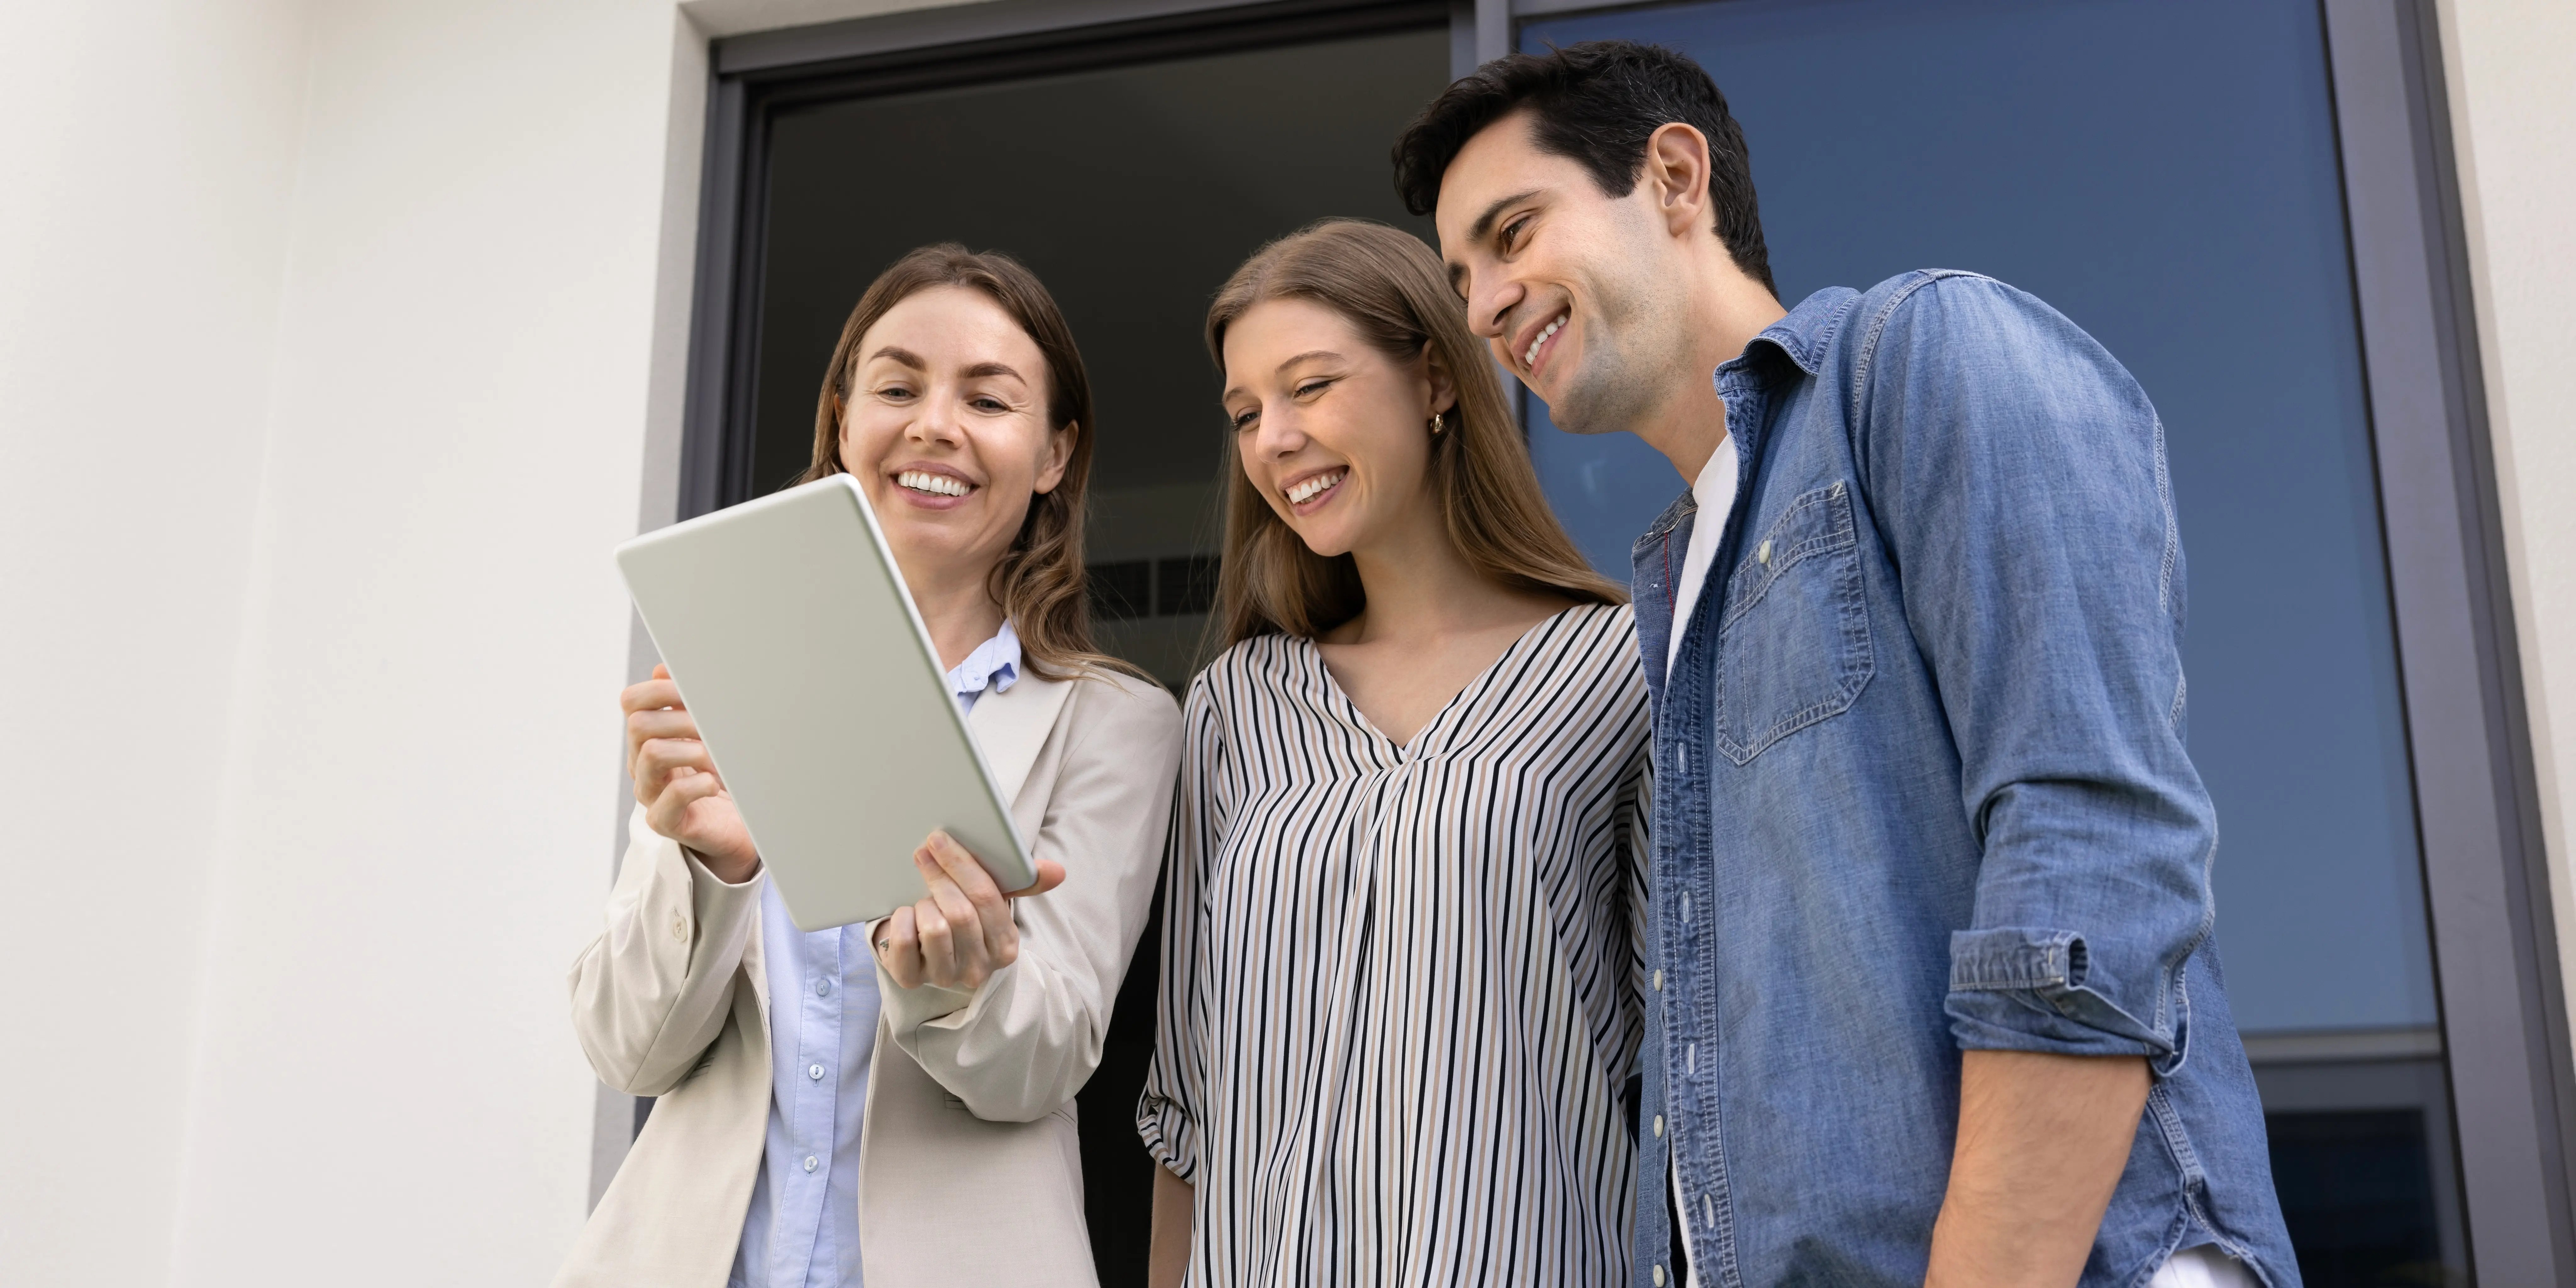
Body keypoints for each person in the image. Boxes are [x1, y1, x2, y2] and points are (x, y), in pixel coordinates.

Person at [1393, 41, 2299, 1288]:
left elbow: (2093, 849)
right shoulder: (1673, 587)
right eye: (1459, 277)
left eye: (1511, 233)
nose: (1485, 302)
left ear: (1671, 178)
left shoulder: (1915, 352)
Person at [554, 245, 1182, 1288]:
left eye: (987, 398)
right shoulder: (729, 677)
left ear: (1055, 454)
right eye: (897, 387)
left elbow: (1050, 1058)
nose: (934, 423)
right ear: (846, 424)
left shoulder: (1114, 722)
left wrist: (957, 987)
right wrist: (707, 871)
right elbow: (630, 1053)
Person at [1135, 219, 1651, 1288]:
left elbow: (1692, 1066)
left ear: (1434, 381)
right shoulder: (1237, 708)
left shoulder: (1622, 672)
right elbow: (1187, 1103)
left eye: (1310, 387)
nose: (1272, 438)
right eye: (1245, 414)